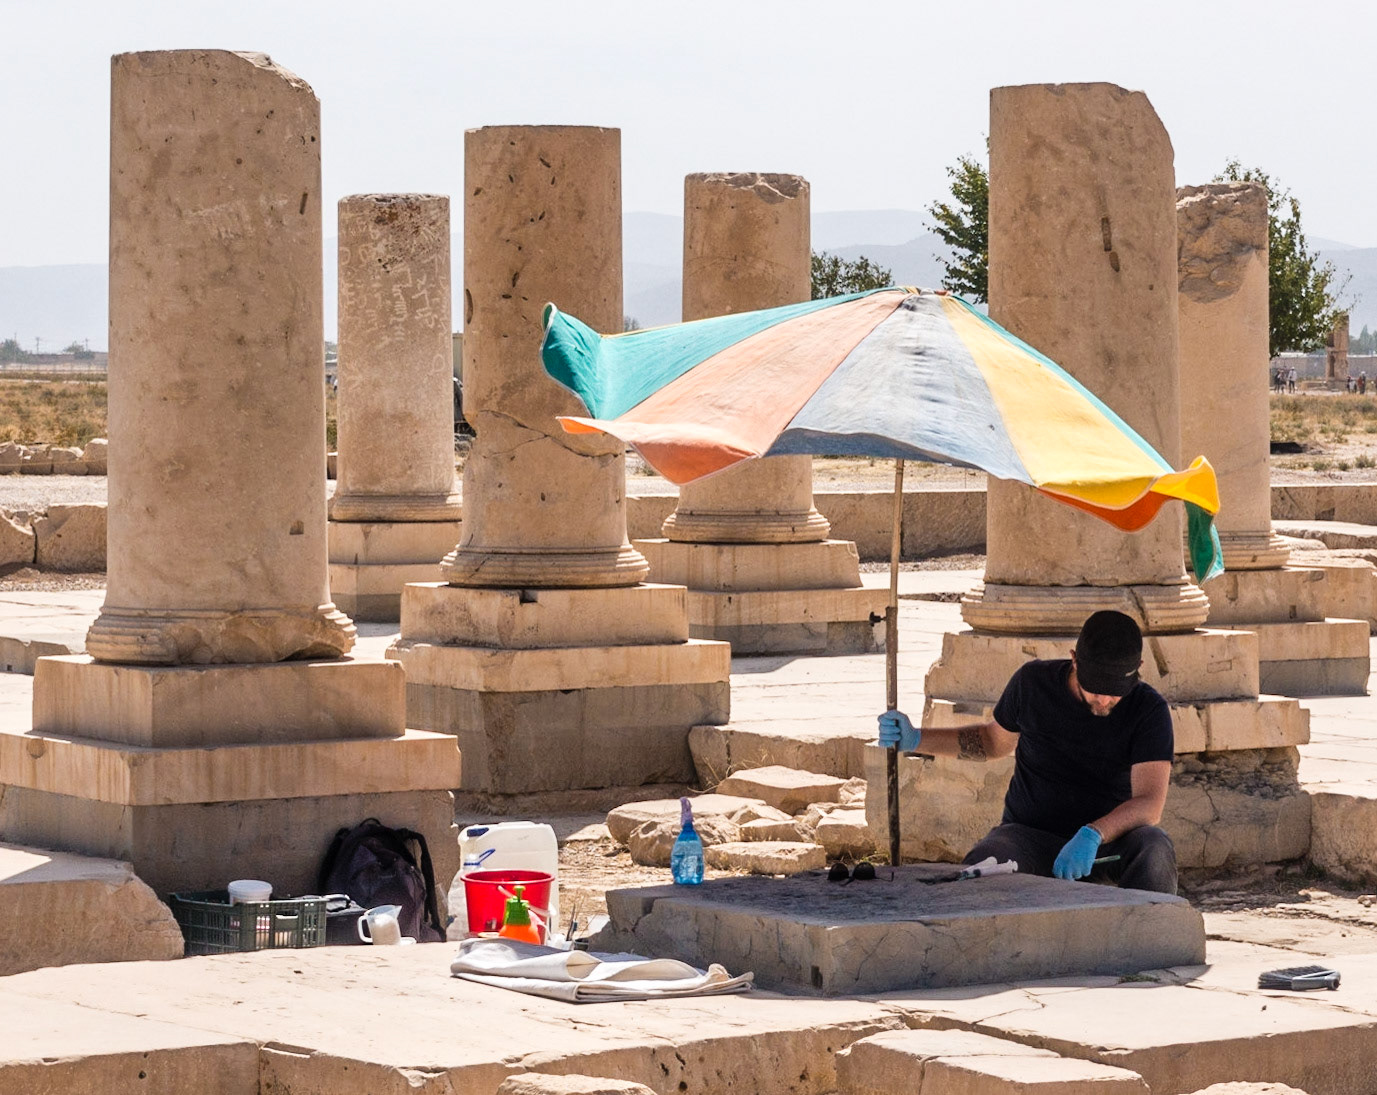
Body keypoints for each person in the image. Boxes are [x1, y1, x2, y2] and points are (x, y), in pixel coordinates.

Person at [878, 610, 1177, 894]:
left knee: (1155, 850)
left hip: (1104, 845)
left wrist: (1093, 834)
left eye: (1114, 692)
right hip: (1029, 836)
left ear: (1137, 670)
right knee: (984, 865)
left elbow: (1150, 803)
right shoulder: (1032, 684)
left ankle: (1154, 940)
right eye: (1094, 688)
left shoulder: (1148, 710)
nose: (1103, 700)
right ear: (1074, 660)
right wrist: (917, 739)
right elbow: (991, 742)